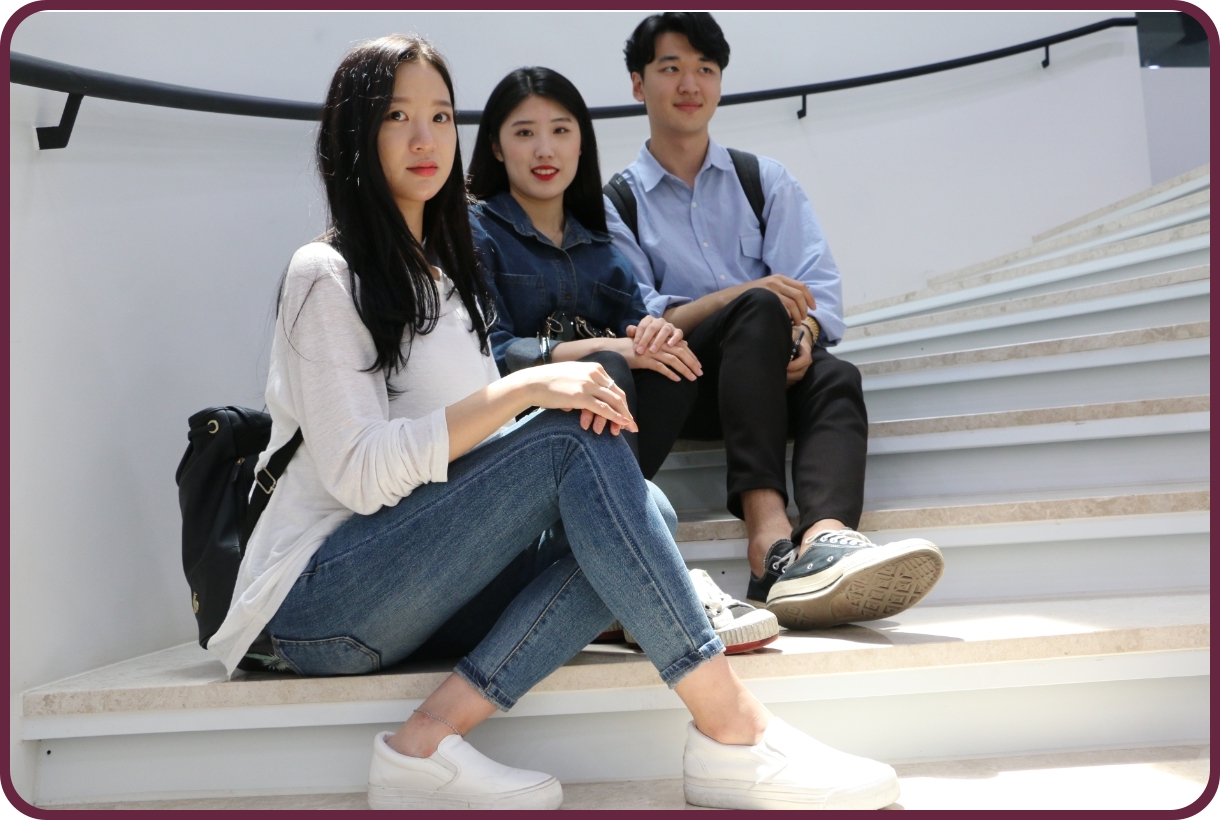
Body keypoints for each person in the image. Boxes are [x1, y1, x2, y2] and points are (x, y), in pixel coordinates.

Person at [207, 35, 901, 811]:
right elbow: (360, 475)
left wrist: (546, 404)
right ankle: (731, 727)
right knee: (573, 448)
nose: (425, 137)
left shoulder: (448, 281)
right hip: (319, 603)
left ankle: (426, 740)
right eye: (397, 115)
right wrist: (527, 389)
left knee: (643, 509)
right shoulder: (326, 273)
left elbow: (473, 460)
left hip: (419, 586)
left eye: (440, 115)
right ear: (353, 133)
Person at [605, 13, 945, 630]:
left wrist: (804, 337)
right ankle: (767, 540)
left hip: (769, 377)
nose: (690, 84)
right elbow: (644, 320)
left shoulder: (763, 180)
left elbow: (820, 291)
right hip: (688, 385)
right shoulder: (617, 203)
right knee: (758, 306)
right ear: (638, 83)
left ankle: (825, 540)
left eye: (705, 69)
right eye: (671, 68)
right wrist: (746, 296)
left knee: (835, 375)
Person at [466, 66, 777, 655]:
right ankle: (649, 575)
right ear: (497, 148)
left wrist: (655, 336)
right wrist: (602, 350)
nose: (544, 149)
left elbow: (639, 332)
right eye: (524, 132)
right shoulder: (476, 231)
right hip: (521, 434)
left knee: (672, 363)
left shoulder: (603, 250)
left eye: (561, 131)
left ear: (581, 144)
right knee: (611, 366)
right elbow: (491, 354)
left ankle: (616, 568)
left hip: (606, 430)